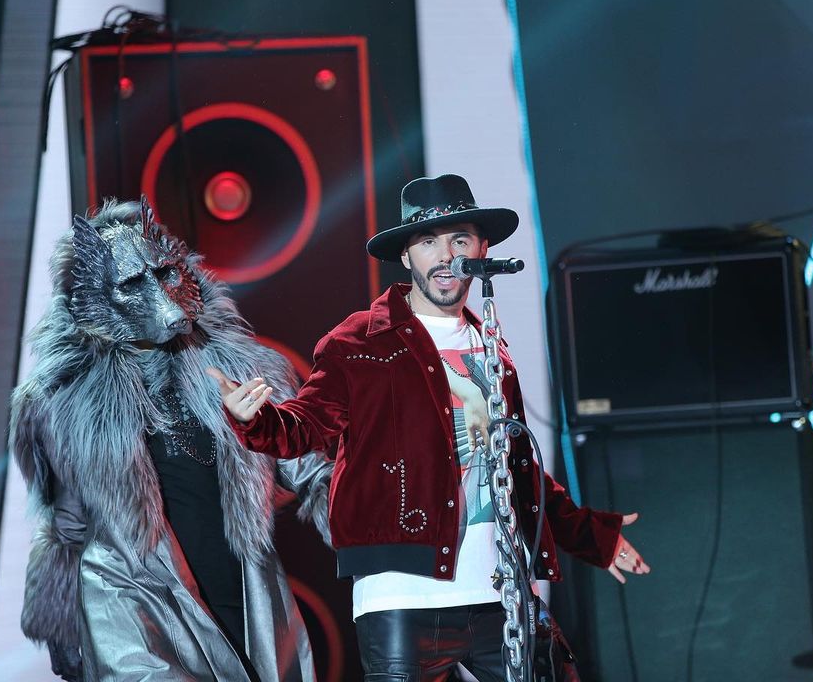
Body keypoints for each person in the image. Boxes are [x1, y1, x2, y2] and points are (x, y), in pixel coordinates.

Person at [207, 175, 650, 681]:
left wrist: (592, 536)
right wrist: (255, 418)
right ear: (406, 256)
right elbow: (303, 427)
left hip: (500, 593)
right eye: (428, 242)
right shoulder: (360, 342)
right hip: (403, 599)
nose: (445, 255)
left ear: (482, 249)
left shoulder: (490, 348)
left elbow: (513, 468)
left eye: (459, 239)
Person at [11, 198, 331, 682]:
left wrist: (383, 548)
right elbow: (66, 524)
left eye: (164, 273)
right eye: (132, 283)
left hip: (246, 599)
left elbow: (310, 470)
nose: (161, 297)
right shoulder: (58, 401)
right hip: (134, 609)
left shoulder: (246, 368)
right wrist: (60, 628)